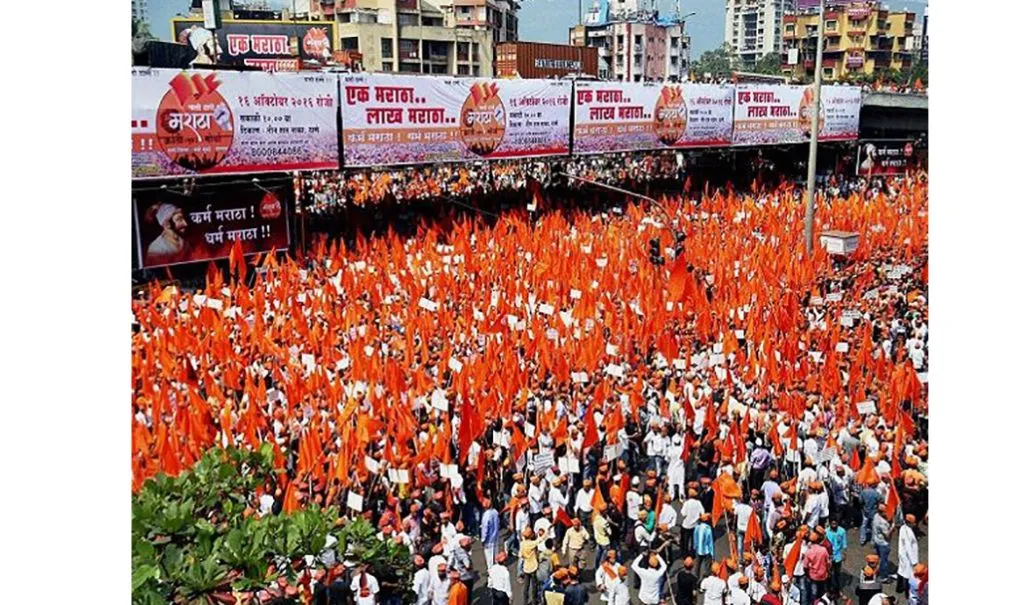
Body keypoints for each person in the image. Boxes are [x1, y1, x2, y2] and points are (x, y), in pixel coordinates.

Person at [803, 531, 831, 603]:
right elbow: (828, 563)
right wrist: (828, 571)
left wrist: (808, 574)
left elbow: (805, 566)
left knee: (813, 592)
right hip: (823, 575)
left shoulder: (808, 552)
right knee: (822, 591)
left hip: (813, 576)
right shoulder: (823, 550)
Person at [896, 514, 920, 595]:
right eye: (913, 522)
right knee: (908, 574)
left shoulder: (903, 527)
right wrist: (914, 562)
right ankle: (907, 592)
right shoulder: (908, 532)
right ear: (909, 522)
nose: (915, 524)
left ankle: (899, 588)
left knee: (901, 570)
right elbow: (908, 547)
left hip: (903, 554)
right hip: (908, 556)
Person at [824, 519, 847, 596]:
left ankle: (838, 590)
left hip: (838, 556)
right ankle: (828, 590)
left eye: (835, 523)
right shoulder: (826, 531)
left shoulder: (842, 531)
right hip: (829, 556)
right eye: (832, 523)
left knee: (837, 574)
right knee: (829, 574)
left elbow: (844, 543)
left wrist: (844, 553)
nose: (834, 525)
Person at [871, 509, 894, 582]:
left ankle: (874, 571)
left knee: (878, 558)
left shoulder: (876, 516)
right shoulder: (882, 523)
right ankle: (883, 577)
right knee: (884, 561)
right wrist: (892, 527)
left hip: (876, 540)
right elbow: (887, 536)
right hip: (883, 543)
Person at [519, 528, 540, 605]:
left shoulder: (522, 544)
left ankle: (525, 602)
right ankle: (534, 601)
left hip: (526, 567)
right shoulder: (532, 543)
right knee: (534, 586)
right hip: (533, 567)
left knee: (526, 586)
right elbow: (539, 540)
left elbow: (520, 555)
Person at [480, 497, 500, 568]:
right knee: (496, 554)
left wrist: (483, 539)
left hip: (489, 540)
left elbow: (485, 529)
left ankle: (491, 571)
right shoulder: (495, 512)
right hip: (496, 537)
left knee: (489, 557)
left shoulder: (486, 515)